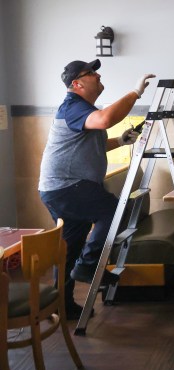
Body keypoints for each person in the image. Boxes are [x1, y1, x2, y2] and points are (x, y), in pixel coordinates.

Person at [38, 59, 155, 319]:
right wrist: (135, 92)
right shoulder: (73, 107)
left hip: (64, 187)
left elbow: (92, 144)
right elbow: (104, 120)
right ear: (76, 84)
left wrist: (121, 141)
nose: (97, 74)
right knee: (115, 211)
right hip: (66, 186)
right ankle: (89, 267)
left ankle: (62, 305)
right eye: (90, 72)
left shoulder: (84, 110)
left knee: (69, 249)